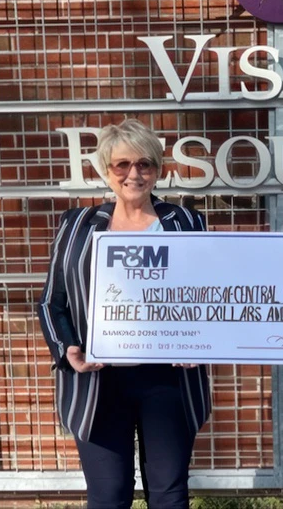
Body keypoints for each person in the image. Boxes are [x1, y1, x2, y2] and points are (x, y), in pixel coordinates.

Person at [37, 119, 211, 508]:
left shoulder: (185, 223)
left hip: (168, 378)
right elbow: (52, 301)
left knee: (169, 493)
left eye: (145, 164)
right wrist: (68, 350)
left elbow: (209, 296)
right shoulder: (77, 226)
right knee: (109, 494)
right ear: (106, 170)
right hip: (98, 381)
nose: (134, 174)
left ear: (158, 170)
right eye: (122, 165)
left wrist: (203, 341)